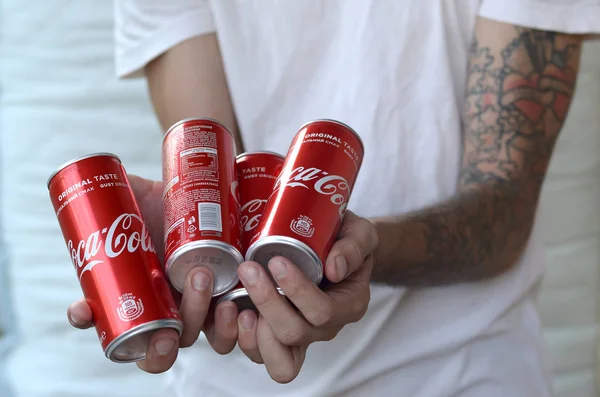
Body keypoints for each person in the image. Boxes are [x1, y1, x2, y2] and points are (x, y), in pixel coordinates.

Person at [67, 1, 600, 396]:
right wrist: (183, 238)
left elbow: (503, 212)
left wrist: (356, 252)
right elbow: (209, 156)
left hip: (460, 372)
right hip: (235, 376)